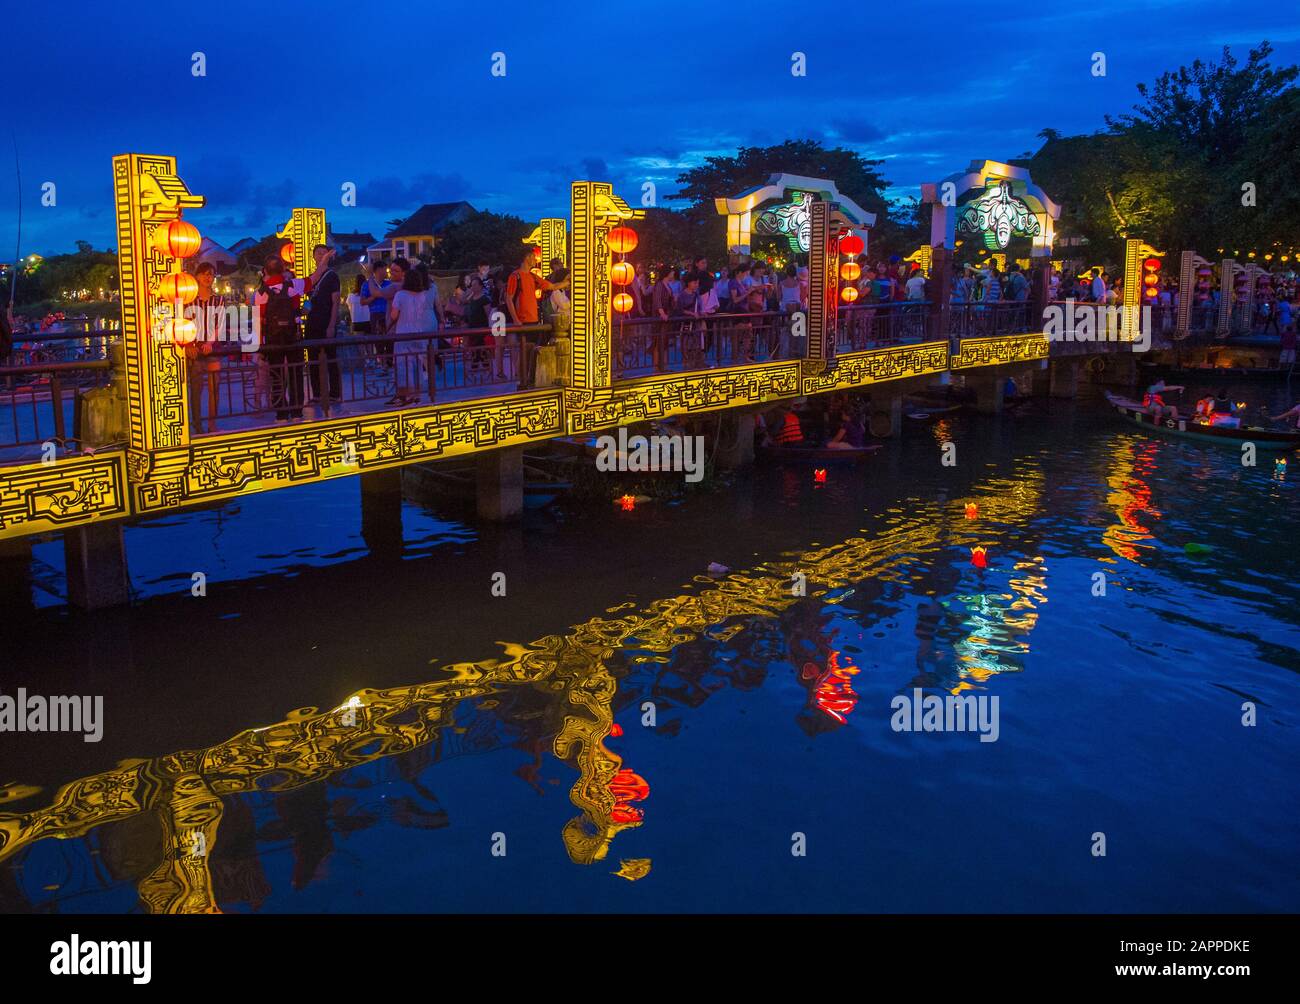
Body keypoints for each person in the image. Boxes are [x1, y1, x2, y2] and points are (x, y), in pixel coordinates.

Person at [505, 249, 563, 387]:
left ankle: (528, 378)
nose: (535, 260)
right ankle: (522, 380)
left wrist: (566, 283)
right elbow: (508, 298)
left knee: (531, 350)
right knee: (525, 350)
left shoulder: (532, 276)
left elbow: (551, 286)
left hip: (534, 320)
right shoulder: (515, 276)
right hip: (523, 321)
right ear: (527, 257)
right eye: (533, 257)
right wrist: (516, 319)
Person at [184, 262, 226, 433]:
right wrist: (189, 344)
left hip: (212, 348)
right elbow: (184, 323)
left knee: (214, 386)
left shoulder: (218, 299)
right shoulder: (189, 300)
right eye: (204, 274)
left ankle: (212, 423)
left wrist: (210, 342)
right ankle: (197, 423)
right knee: (196, 388)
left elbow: (220, 324)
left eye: (211, 274)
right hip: (194, 348)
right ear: (197, 276)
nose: (208, 278)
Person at [304, 244, 341, 413]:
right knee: (312, 359)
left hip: (326, 321)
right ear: (313, 257)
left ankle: (335, 393)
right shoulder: (311, 278)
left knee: (331, 358)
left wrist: (332, 325)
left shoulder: (332, 276)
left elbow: (335, 302)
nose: (320, 255)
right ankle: (317, 394)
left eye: (323, 253)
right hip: (312, 322)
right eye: (317, 253)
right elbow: (308, 301)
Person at [387, 266, 427, 404]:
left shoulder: (400, 295)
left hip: (403, 332)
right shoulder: (423, 295)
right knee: (417, 362)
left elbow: (394, 315)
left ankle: (407, 394)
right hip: (418, 332)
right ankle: (417, 394)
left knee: (404, 363)